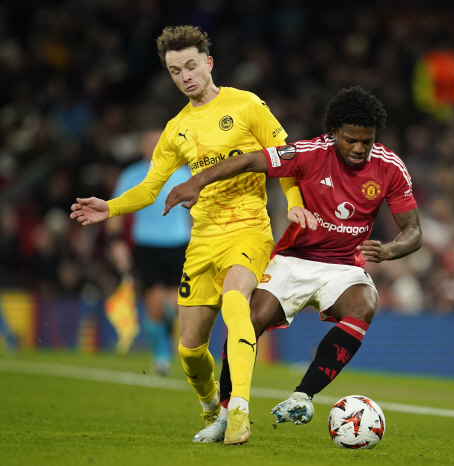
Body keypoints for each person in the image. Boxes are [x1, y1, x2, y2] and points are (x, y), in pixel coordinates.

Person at [69, 25, 315, 445]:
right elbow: (151, 188)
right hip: (202, 240)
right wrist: (110, 207)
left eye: (190, 65)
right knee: (189, 349)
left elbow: (284, 156)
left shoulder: (246, 104)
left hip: (248, 228)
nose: (184, 76)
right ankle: (211, 409)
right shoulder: (175, 129)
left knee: (237, 299)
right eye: (174, 70)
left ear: (208, 62)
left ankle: (238, 411)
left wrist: (293, 200)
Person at [163, 86, 422, 444]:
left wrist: (392, 250)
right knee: (250, 318)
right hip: (293, 259)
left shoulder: (389, 166)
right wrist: (197, 180)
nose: (360, 148)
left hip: (344, 264)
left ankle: (303, 396)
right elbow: (249, 160)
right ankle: (226, 413)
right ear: (333, 134)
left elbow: (413, 231)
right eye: (351, 140)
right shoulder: (307, 153)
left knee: (364, 304)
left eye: (367, 140)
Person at [105, 129, 191, 375]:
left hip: (179, 246)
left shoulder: (183, 174)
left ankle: (167, 336)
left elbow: (195, 214)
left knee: (175, 305)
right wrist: (114, 241)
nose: (155, 147)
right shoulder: (131, 175)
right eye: (151, 143)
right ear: (142, 148)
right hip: (146, 246)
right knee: (154, 304)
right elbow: (115, 209)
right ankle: (161, 355)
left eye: (160, 143)